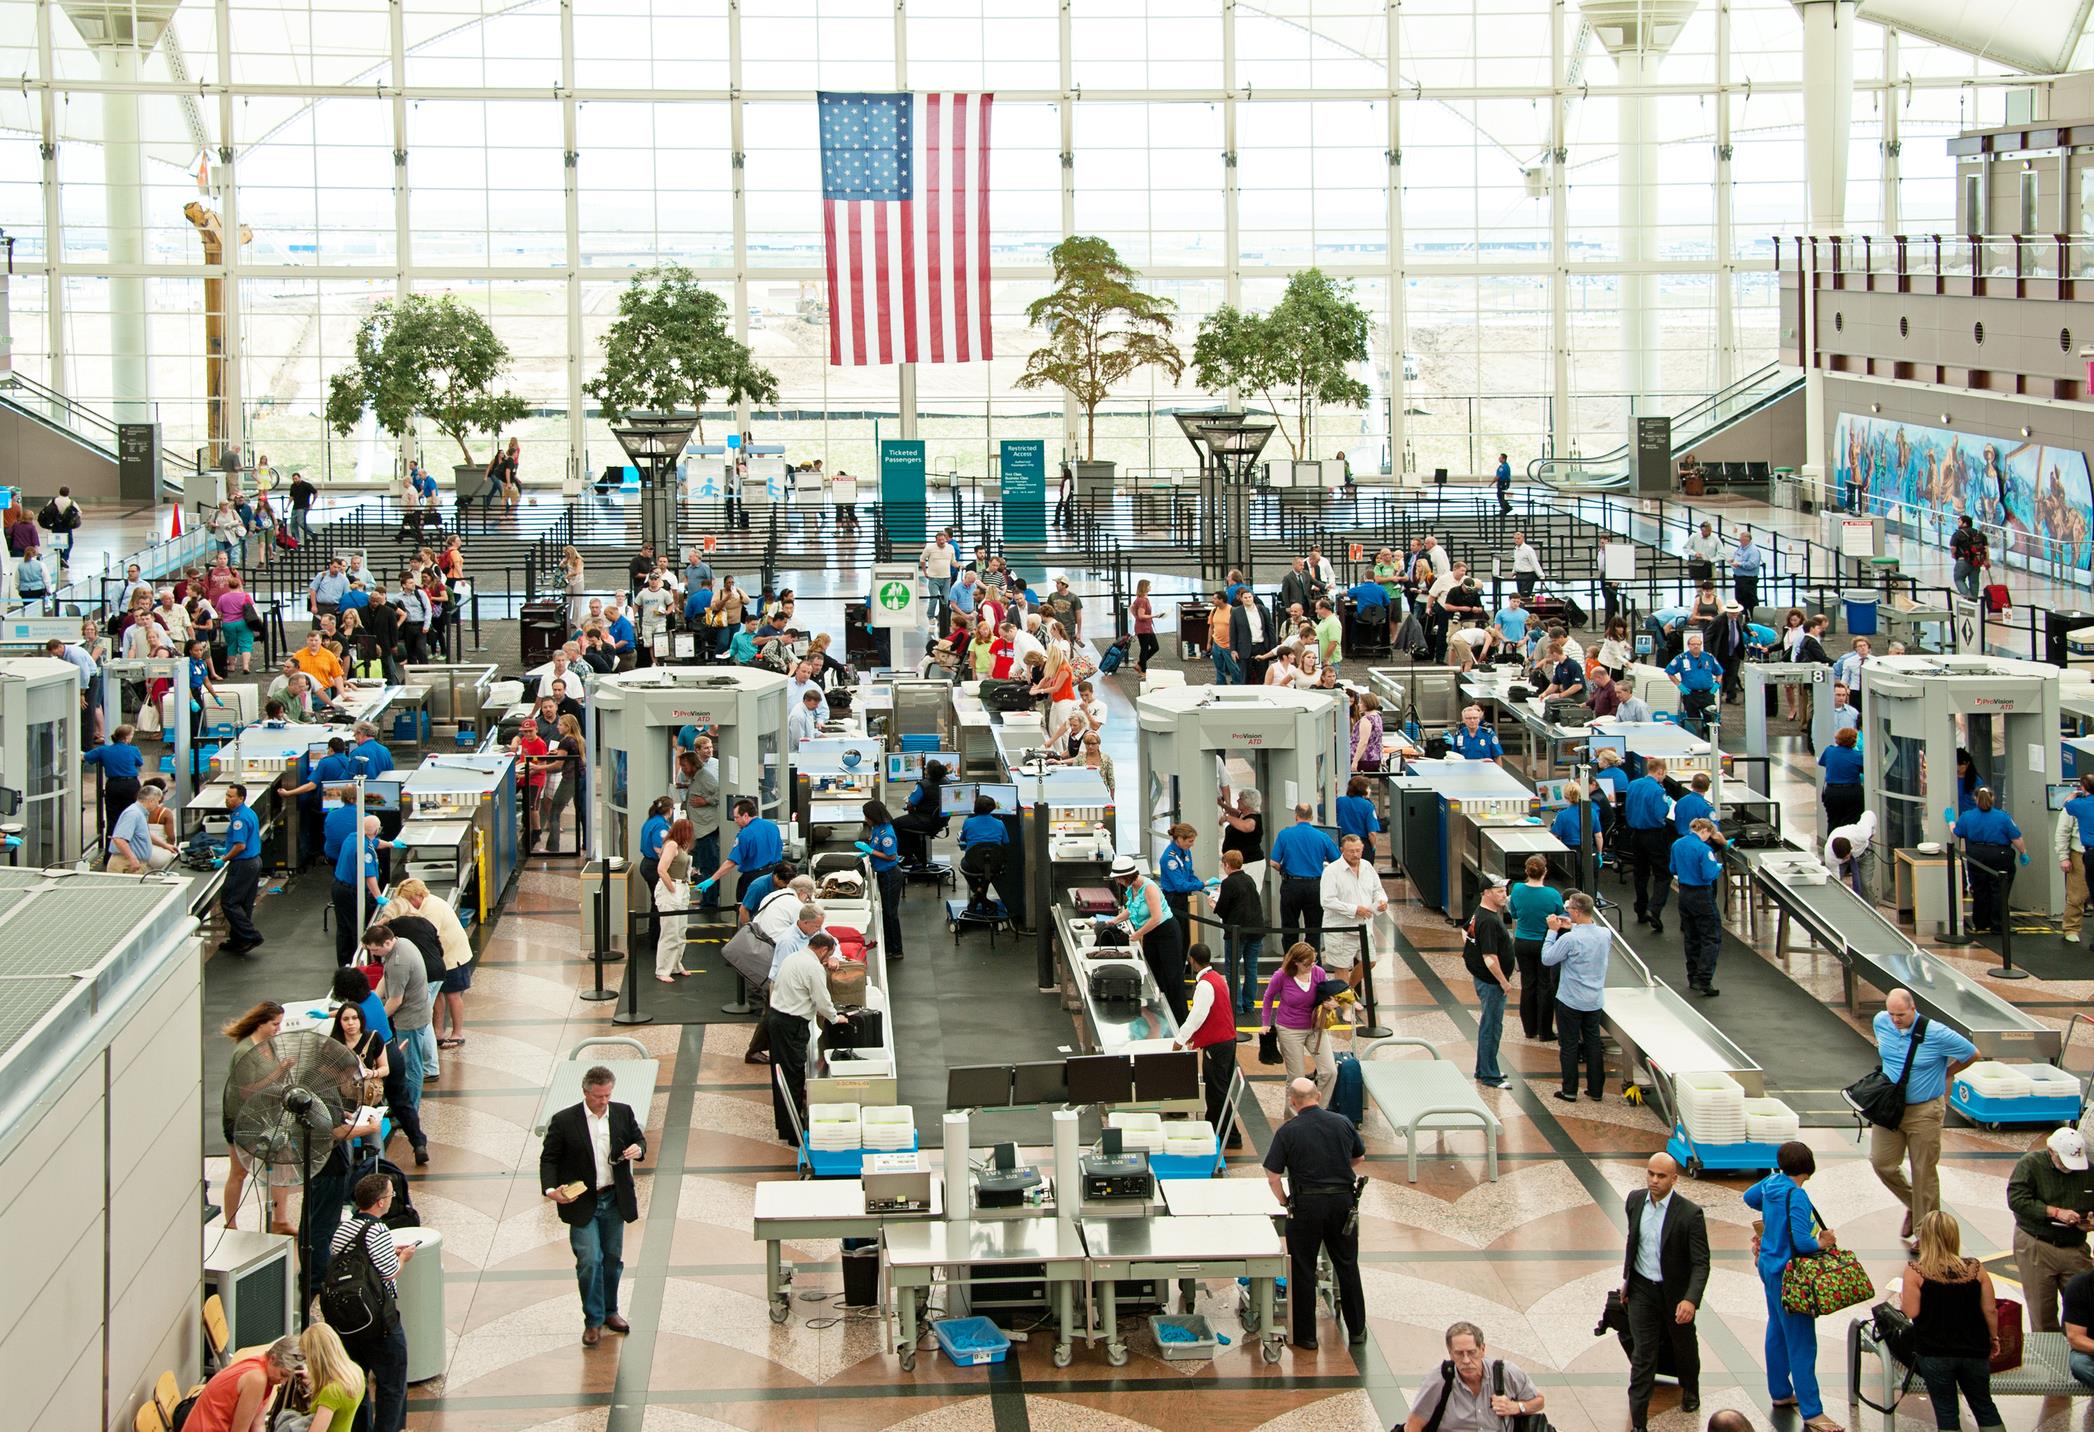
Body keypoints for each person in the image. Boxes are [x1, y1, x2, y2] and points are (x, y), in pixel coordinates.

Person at [540, 1066, 645, 1346]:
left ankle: (611, 1311)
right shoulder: (564, 1121)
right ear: (586, 1093)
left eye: (608, 1095)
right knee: (589, 1260)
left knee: (612, 1259)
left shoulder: (622, 1112)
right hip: (582, 1201)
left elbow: (638, 1139)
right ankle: (593, 1320)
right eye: (598, 1096)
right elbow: (549, 1158)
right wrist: (552, 1190)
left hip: (614, 1198)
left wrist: (639, 1149)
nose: (603, 1101)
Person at [1263, 1076, 1366, 1348]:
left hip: (1306, 1205)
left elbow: (1273, 1175)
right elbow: (1359, 1157)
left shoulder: (1288, 1131)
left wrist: (1285, 1201)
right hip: (1342, 1203)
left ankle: (1307, 1336)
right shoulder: (1342, 1122)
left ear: (1293, 1102)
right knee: (1346, 1263)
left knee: (1303, 1268)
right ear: (1318, 1096)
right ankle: (1357, 1330)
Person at [1745, 1142, 1842, 1432]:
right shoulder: (1797, 1195)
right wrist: (1823, 1242)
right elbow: (1802, 1242)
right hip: (1792, 1276)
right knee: (1802, 1342)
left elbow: (1750, 1197)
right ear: (1807, 1169)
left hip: (1769, 1268)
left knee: (1776, 1328)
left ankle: (1780, 1392)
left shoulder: (1772, 1182)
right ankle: (1813, 1411)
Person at [1871, 988, 1979, 1244]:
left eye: (1901, 1014)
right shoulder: (1881, 1022)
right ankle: (1914, 1204)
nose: (1895, 1019)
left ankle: (1927, 1233)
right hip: (1890, 1108)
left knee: (1924, 1171)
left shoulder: (1938, 1033)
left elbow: (1971, 1054)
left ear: (1913, 1009)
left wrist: (1945, 1073)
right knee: (1881, 1162)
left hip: (1924, 1111)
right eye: (1891, 1014)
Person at [1620, 1151, 1709, 1430]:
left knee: (1683, 1344)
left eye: (1660, 1176)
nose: (1654, 1180)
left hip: (1675, 1293)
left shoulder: (1690, 1214)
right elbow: (1634, 1243)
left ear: (1674, 1178)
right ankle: (1639, 1424)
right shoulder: (1635, 1201)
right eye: (1650, 1173)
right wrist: (1627, 1280)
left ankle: (1690, 1387)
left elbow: (1700, 1263)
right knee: (1643, 1355)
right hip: (1642, 1290)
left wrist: (1690, 1300)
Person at [1902, 1211, 2006, 1432]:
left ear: (1925, 1239)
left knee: (1946, 1411)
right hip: (1974, 1351)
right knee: (1985, 1406)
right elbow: (1990, 1310)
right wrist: (1994, 1338)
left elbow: (1911, 1311)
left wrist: (1904, 1298)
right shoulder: (1975, 1269)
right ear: (1954, 1236)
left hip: (1934, 1352)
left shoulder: (1915, 1271)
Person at [331, 1173, 415, 1430]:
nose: (392, 1199)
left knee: (357, 1381)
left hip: (349, 1319)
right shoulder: (377, 1229)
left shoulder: (343, 1227)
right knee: (392, 1382)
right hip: (379, 1318)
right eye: (390, 1195)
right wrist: (404, 1257)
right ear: (379, 1202)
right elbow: (389, 1271)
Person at [2008, 1126, 2094, 1332]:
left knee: (2085, 1308)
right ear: (2051, 1151)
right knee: (2042, 1312)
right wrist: (2055, 1212)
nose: (2069, 1168)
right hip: (2037, 1244)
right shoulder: (2030, 1164)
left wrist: (2090, 1220)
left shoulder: (2088, 1170)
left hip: (2074, 1246)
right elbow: (2017, 1200)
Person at [767, 931, 851, 1141]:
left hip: (777, 1018)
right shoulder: (813, 967)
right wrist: (835, 1018)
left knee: (782, 1077)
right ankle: (794, 1134)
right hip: (792, 1025)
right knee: (794, 1077)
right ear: (823, 950)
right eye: (828, 954)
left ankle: (786, 1127)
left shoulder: (793, 958)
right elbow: (822, 1000)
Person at [366, 923, 434, 1166]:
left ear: (386, 943)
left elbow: (396, 999)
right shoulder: (401, 943)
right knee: (410, 1062)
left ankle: (411, 1109)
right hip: (419, 1010)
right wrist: (374, 997)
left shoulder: (398, 962)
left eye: (375, 950)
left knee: (411, 1065)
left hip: (409, 1018)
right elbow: (384, 982)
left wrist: (377, 1021)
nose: (374, 955)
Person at [1402, 1322, 1544, 1432]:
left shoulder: (1506, 1372)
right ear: (1450, 1354)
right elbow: (1413, 1425)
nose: (1466, 1360)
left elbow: (1539, 1401)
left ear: (1482, 1350)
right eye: (1459, 1353)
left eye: (1471, 1352)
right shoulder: (1439, 1378)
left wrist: (1516, 1407)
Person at [1542, 891, 1609, 1103]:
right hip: (1594, 999)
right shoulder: (1605, 934)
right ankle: (1596, 1090)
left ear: (1577, 912)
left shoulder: (1570, 939)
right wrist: (1572, 925)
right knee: (1593, 1043)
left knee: (1569, 1045)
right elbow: (1589, 933)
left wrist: (1552, 932)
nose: (1567, 911)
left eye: (1569, 909)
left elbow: (1547, 958)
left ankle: (1570, 1090)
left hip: (1570, 1000)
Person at [1175, 943, 1244, 1149]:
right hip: (1227, 1041)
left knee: (1217, 1090)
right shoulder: (1217, 978)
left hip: (1217, 1045)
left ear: (1192, 961)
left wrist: (1180, 1039)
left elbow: (1197, 1015)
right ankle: (1214, 1127)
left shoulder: (1205, 985)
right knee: (1218, 1088)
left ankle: (1230, 1135)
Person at [1111, 853, 1187, 1022]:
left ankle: (1180, 1020)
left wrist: (1138, 934)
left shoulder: (1149, 887)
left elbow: (1156, 917)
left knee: (1172, 977)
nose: (1117, 882)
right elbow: (1132, 909)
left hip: (1167, 933)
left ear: (1126, 876)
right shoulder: (1132, 888)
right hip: (1151, 933)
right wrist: (1114, 920)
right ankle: (1160, 1016)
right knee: (1155, 975)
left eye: (1118, 878)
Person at [1261, 942, 1336, 1104]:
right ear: (1295, 962)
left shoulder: (1319, 973)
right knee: (1297, 1079)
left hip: (1315, 1027)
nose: (1311, 966)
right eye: (1307, 964)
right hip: (1289, 1029)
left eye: (1314, 962)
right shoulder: (1281, 975)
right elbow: (1268, 997)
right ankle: (1293, 1118)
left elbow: (1327, 994)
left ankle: (1318, 1110)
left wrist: (1331, 1003)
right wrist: (1265, 1023)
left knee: (1330, 1071)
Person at [180, 1335, 304, 1432]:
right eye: (283, 1375)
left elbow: (258, 1424)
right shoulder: (257, 1378)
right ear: (273, 1359)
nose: (282, 1382)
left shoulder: (264, 1368)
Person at [1318, 832, 1385, 993]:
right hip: (1340, 928)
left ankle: (1347, 993)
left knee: (1370, 961)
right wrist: (1354, 909)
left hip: (1364, 928)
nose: (1355, 854)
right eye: (1351, 851)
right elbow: (1327, 901)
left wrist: (1382, 901)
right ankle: (1346, 1006)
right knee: (1341, 967)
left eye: (1358, 850)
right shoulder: (1332, 871)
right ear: (1342, 850)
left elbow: (1378, 890)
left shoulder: (1367, 867)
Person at [1507, 855, 1564, 1043]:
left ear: (1526, 871)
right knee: (1545, 986)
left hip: (1522, 942)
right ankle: (1545, 1031)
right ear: (1545, 871)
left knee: (1528, 984)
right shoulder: (1553, 894)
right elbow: (1560, 916)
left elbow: (1514, 913)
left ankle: (1529, 1029)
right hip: (1543, 942)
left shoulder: (1517, 890)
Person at [1953, 788, 2026, 934]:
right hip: (1999, 855)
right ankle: (1998, 925)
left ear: (1975, 799)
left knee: (1979, 889)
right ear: (1993, 798)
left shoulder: (1967, 816)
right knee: (1999, 890)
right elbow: (2016, 838)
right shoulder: (2003, 817)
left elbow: (1957, 831)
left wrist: (1950, 821)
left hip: (1976, 855)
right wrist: (2023, 853)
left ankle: (1980, 923)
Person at [1465, 876, 1515, 1088]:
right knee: (1491, 1027)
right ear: (1486, 892)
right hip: (1491, 983)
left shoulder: (1480, 914)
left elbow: (1465, 934)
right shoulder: (1489, 921)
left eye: (1504, 891)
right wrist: (1504, 981)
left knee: (1489, 1024)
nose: (1504, 895)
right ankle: (1489, 1075)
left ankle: (1484, 1068)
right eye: (1499, 891)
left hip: (1483, 979)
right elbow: (1489, 957)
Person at [1670, 817, 1727, 998]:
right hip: (1701, 895)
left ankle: (1693, 976)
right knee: (1711, 937)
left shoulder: (1677, 844)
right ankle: (1705, 978)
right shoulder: (1704, 849)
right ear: (1705, 831)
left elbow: (1673, 868)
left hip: (1684, 894)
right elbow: (1708, 874)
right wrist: (1717, 867)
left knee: (1691, 936)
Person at [1271, 803, 1340, 950]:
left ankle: (1290, 961)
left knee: (1290, 927)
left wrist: (1284, 870)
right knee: (1313, 928)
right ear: (1312, 817)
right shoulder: (1322, 836)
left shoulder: (1285, 834)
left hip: (1291, 885)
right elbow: (1337, 861)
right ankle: (1312, 963)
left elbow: (1273, 862)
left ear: (1296, 816)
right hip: (1315, 886)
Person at [1624, 756, 1675, 934]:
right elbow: (1660, 812)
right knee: (1663, 873)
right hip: (1654, 835)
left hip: (1636, 835)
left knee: (1641, 873)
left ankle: (1640, 908)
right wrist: (1667, 804)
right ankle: (1655, 908)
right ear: (1660, 771)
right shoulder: (1657, 790)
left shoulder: (1633, 784)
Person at [1213, 849, 1266, 1016]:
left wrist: (1213, 904)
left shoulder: (1228, 883)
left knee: (1233, 968)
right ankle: (1249, 1003)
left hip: (1237, 932)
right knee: (1251, 967)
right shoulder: (1249, 879)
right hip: (1256, 930)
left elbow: (1222, 910)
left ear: (1226, 865)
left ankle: (1236, 1006)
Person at [217, 782, 266, 954]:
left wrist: (223, 859)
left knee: (229, 902)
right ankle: (239, 940)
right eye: (227, 795)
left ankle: (251, 935)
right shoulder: (248, 812)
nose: (227, 799)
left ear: (241, 798)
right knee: (244, 903)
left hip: (243, 864)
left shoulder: (239, 818)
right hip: (254, 861)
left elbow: (240, 846)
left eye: (231, 796)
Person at [333, 814, 389, 966]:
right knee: (354, 929)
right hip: (350, 892)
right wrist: (379, 897)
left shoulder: (354, 836)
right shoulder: (364, 849)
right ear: (376, 830)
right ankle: (354, 964)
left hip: (339, 887)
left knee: (343, 928)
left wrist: (391, 844)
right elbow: (369, 876)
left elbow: (375, 842)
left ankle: (344, 964)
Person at [299, 1321, 367, 1432]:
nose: (306, 1362)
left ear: (315, 1357)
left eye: (306, 1356)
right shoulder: (355, 1372)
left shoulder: (331, 1392)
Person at [861, 798, 904, 962]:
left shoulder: (887, 833)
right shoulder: (878, 828)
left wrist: (870, 851)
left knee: (891, 913)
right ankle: (890, 947)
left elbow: (890, 855)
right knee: (887, 912)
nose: (866, 820)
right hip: (884, 874)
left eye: (867, 817)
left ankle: (896, 949)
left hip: (890, 875)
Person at [652, 817, 695, 981]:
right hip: (672, 889)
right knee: (670, 931)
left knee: (680, 930)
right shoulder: (671, 845)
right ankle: (663, 970)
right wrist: (672, 889)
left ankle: (676, 964)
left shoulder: (680, 846)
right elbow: (662, 869)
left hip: (681, 888)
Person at [107, 781, 177, 872]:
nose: (158, 805)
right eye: (157, 802)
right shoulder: (133, 814)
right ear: (151, 801)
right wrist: (132, 859)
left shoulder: (141, 813)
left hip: (133, 862)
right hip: (126, 864)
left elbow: (145, 834)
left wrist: (165, 845)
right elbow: (119, 839)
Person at [2058, 772, 2094, 943]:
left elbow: (2066, 803)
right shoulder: (2076, 806)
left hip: (2087, 852)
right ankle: (2071, 928)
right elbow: (2063, 831)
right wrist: (2063, 856)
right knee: (2077, 895)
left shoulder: (2075, 803)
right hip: (2079, 853)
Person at [1666, 631, 1723, 732]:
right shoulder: (1681, 658)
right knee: (1693, 721)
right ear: (1688, 645)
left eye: (1698, 644)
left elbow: (1719, 672)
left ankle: (1713, 740)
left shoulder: (1708, 657)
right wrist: (1679, 685)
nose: (1696, 646)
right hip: (1690, 694)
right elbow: (1670, 672)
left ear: (1701, 645)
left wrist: (1717, 685)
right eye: (1693, 644)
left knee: (1711, 718)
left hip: (1707, 693)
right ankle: (1697, 738)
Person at [1818, 725, 1866, 831]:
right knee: (1852, 823)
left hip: (1832, 791)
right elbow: (1864, 770)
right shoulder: (1857, 756)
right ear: (1853, 741)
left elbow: (1822, 762)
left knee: (1833, 821)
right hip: (1852, 792)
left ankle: (1832, 845)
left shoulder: (1829, 751)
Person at [1826, 809, 1878, 896]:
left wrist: (1872, 831)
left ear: (1851, 848)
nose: (1847, 859)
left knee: (1865, 885)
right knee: (1835, 885)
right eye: (1844, 858)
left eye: (1847, 856)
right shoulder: (1830, 857)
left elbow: (1869, 814)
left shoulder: (1862, 834)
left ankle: (1869, 907)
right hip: (1840, 858)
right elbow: (1836, 878)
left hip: (1864, 852)